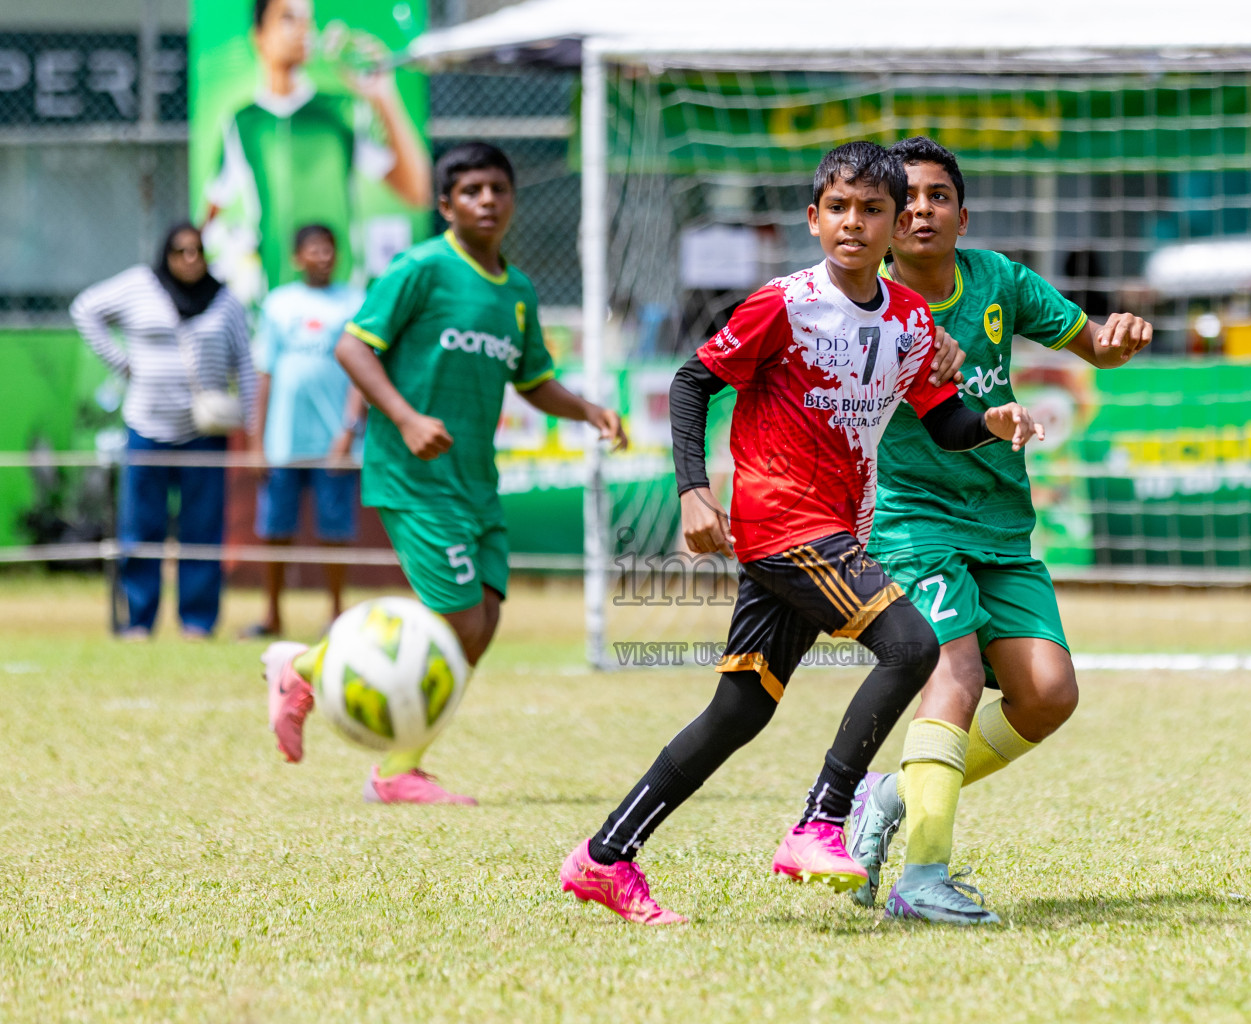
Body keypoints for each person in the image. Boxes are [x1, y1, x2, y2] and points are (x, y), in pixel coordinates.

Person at [558, 141, 1041, 926]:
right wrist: (692, 491)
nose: (855, 223)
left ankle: (605, 857)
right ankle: (821, 821)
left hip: (832, 526)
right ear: (813, 219)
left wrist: (990, 421)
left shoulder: (912, 319)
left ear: (893, 226)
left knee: (738, 711)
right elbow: (692, 382)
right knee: (913, 646)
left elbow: (942, 418)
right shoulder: (784, 302)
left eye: (873, 210)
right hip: (783, 523)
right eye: (840, 208)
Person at [841, 137, 1153, 925]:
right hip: (913, 520)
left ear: (961, 213)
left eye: (936, 196)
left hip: (1003, 526)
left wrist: (1113, 345)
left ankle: (894, 791)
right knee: (957, 673)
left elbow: (1092, 346)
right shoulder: (862, 306)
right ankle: (922, 879)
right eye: (903, 197)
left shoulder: (1000, 280)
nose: (919, 209)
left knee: (1049, 694)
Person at [260, 142, 627, 805]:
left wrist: (587, 410)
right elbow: (351, 345)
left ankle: (399, 767)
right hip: (414, 476)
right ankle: (304, 668)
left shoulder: (516, 292)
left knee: (479, 627)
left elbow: (534, 380)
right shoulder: (420, 268)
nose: (486, 200)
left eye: (498, 188)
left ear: (512, 199)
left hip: (475, 482)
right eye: (471, 190)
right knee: (456, 619)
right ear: (445, 204)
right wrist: (404, 417)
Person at [71, 223, 256, 640]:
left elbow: (244, 363)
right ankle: (138, 619)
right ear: (166, 255)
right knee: (140, 528)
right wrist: (122, 364)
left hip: (204, 434)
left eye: (197, 251)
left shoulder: (224, 301)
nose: (189, 260)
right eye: (180, 251)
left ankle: (197, 621)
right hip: (147, 428)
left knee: (202, 530)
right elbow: (85, 310)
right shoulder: (140, 285)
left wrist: (251, 426)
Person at [203, 0, 431, 302]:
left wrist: (383, 97)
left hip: (343, 289)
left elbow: (418, 191)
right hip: (271, 294)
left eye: (307, 20)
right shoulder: (244, 121)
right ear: (259, 35)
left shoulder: (341, 109)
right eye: (288, 18)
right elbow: (214, 208)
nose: (302, 30)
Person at [247, 224, 368, 638]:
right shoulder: (279, 304)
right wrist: (255, 440)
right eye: (313, 249)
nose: (322, 256)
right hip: (283, 440)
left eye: (329, 249)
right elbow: (264, 373)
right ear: (297, 257)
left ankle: (336, 613)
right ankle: (273, 615)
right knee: (276, 528)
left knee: (335, 529)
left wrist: (349, 428)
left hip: (333, 441)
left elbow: (362, 372)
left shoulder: (355, 301)